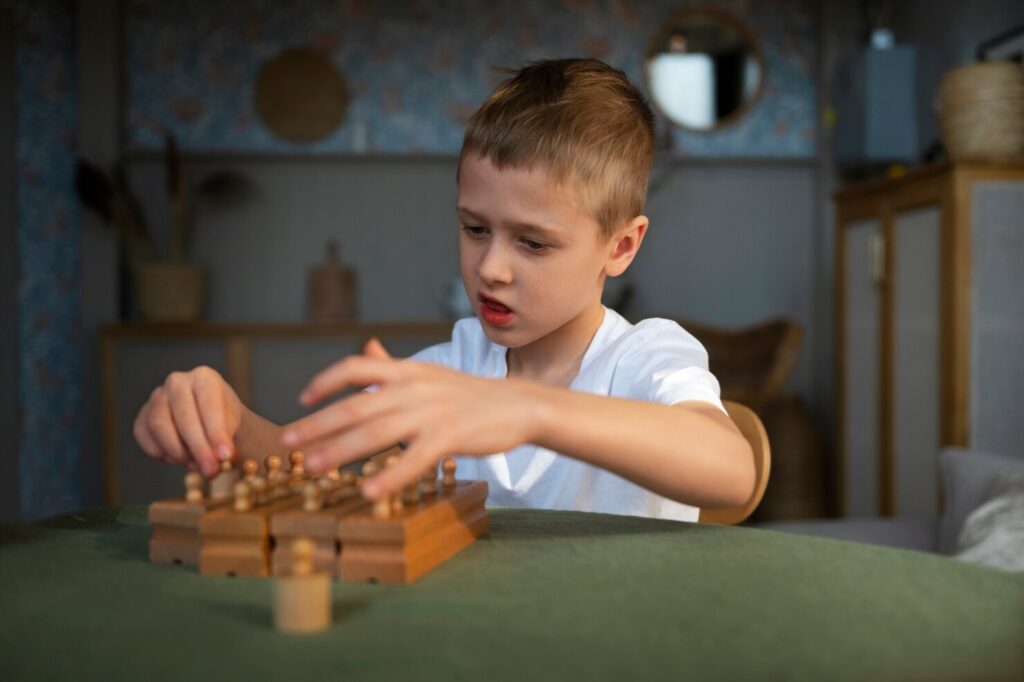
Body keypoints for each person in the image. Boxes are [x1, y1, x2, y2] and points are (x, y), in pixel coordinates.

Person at [133, 58, 754, 522]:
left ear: (620, 246)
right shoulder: (447, 371)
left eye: (533, 243)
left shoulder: (645, 356)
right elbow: (309, 468)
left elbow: (731, 468)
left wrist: (529, 410)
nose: (491, 269)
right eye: (474, 229)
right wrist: (228, 419)